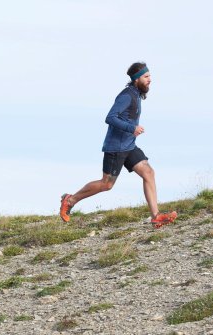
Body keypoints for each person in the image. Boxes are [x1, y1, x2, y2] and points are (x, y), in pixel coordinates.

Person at [59, 62, 177, 229]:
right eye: (146, 77)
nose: (150, 80)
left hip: (129, 145)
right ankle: (70, 200)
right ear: (137, 79)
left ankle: (156, 216)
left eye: (150, 76)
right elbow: (110, 117)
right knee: (106, 184)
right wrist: (132, 128)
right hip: (116, 147)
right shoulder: (127, 95)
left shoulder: (137, 94)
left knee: (148, 173)